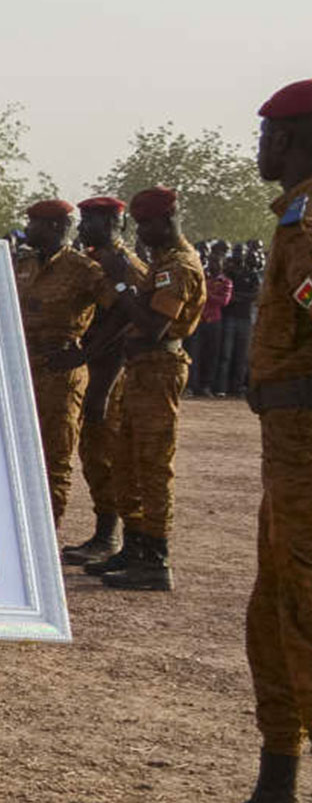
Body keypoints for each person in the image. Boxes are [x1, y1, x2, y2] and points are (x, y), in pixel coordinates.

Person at [187, 80, 312, 803]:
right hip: (287, 460)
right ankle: (275, 799)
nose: (257, 147)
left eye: (267, 132)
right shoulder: (295, 217)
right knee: (274, 620)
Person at [81, 186, 206, 590]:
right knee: (127, 461)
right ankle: (134, 549)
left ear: (168, 220)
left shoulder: (180, 267)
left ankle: (156, 558)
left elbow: (153, 327)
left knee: (153, 465)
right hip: (141, 371)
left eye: (148, 224)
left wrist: (120, 285)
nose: (142, 234)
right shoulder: (163, 263)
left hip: (159, 369)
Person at [16, 198, 111, 528]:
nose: (28, 229)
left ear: (55, 227)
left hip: (60, 373)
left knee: (54, 458)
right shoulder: (22, 264)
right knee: (19, 455)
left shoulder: (84, 269)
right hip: (22, 368)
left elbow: (122, 314)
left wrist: (85, 352)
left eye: (34, 224)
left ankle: (47, 534)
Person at [61, 195, 145, 566]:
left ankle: (114, 537)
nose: (84, 228)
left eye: (93, 221)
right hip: (94, 365)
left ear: (117, 224)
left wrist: (90, 362)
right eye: (83, 220)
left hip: (112, 370)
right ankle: (104, 533)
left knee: (107, 455)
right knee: (93, 455)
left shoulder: (126, 267)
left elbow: (127, 320)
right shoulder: (94, 262)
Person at [221, 243, 262, 397]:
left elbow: (255, 295)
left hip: (245, 319)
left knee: (242, 356)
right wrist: (238, 297)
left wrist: (236, 297)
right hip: (230, 318)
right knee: (226, 355)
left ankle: (237, 388)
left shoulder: (252, 274)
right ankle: (222, 388)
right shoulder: (229, 273)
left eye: (242, 253)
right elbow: (225, 294)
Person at [192, 244, 233, 396]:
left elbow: (223, 301)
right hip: (199, 320)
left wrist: (205, 295)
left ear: (222, 265)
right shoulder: (203, 278)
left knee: (212, 355)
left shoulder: (226, 282)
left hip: (214, 321)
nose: (214, 266)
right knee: (195, 354)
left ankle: (206, 385)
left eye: (217, 263)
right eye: (211, 263)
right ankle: (193, 386)